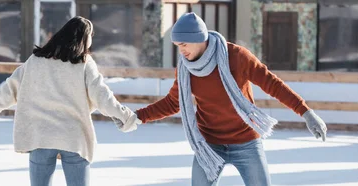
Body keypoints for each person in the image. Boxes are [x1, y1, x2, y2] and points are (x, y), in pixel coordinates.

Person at [136, 12, 327, 186]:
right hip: (209, 144)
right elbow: (172, 102)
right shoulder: (186, 68)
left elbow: (273, 84)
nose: (181, 51)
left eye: (184, 45)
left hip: (246, 141)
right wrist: (138, 116)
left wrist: (306, 112)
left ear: (199, 39)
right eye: (178, 46)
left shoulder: (237, 57)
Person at [0, 16, 141, 186]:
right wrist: (125, 117)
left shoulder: (35, 61)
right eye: (91, 36)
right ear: (83, 38)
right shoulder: (84, 63)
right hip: (74, 138)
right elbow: (103, 97)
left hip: (40, 136)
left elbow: (7, 92)